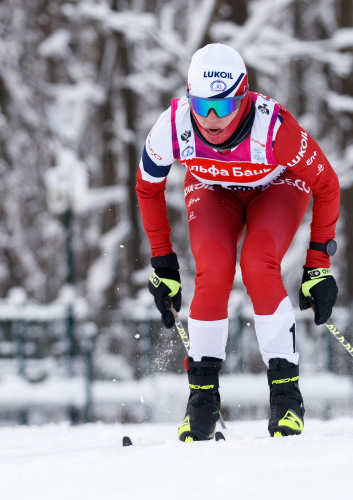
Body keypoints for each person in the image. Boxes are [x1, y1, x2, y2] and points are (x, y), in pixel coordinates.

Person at [136, 43, 340, 441]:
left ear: (243, 96)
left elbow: (327, 184)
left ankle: (285, 398)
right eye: (202, 105)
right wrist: (163, 263)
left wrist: (318, 264)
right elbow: (147, 188)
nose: (211, 119)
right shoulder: (172, 126)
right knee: (212, 271)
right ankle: (202, 401)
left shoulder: (275, 130)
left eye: (223, 107)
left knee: (258, 263)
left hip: (276, 187)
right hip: (214, 189)